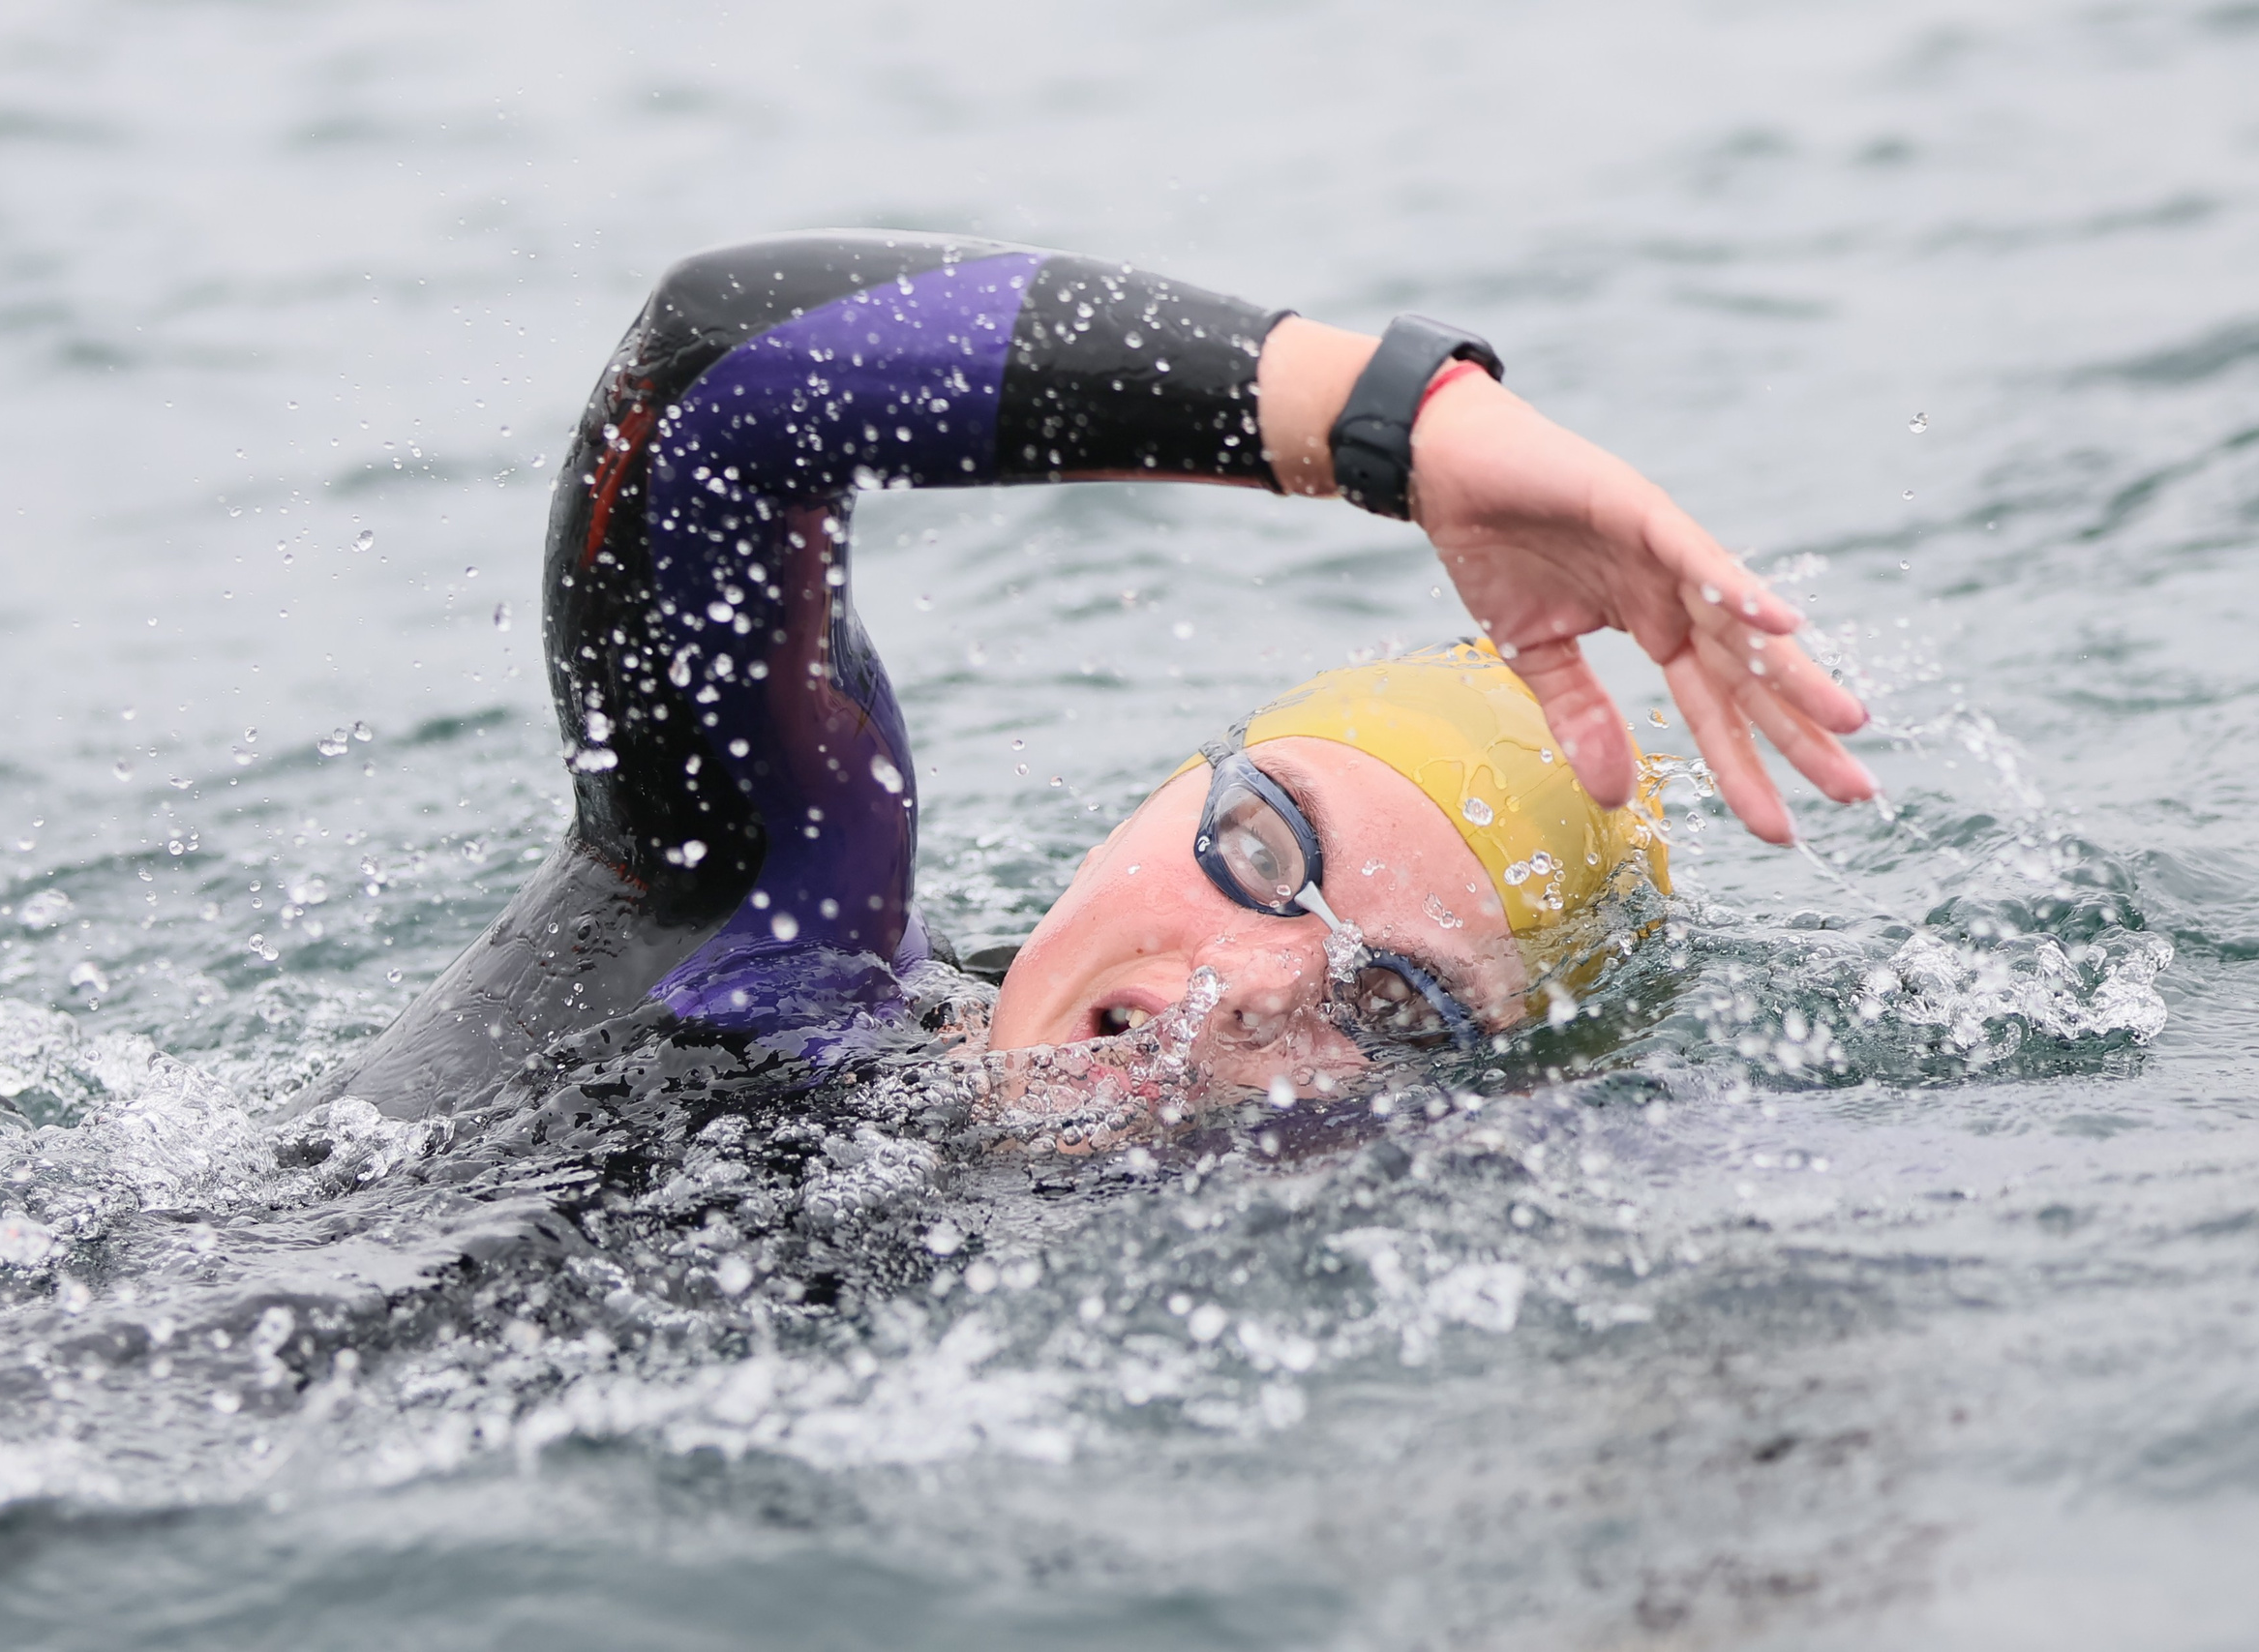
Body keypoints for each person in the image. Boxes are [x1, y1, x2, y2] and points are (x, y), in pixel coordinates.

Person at [307, 231, 1873, 1124]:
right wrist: (1399, 422)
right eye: (1263, 852)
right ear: (1157, 801)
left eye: (1394, 1008)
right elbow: (716, 373)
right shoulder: (759, 942)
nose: (1263, 978)